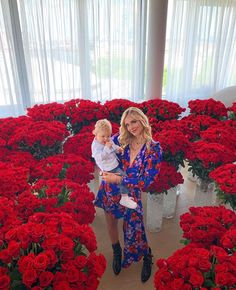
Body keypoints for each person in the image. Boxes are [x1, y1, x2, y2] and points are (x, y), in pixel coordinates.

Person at [94, 107, 162, 283]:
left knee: (135, 228)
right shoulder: (119, 139)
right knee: (111, 222)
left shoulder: (153, 149)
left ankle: (147, 255)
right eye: (127, 123)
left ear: (142, 120)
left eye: (134, 121)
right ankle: (116, 251)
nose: (131, 127)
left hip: (130, 193)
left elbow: (147, 181)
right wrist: (102, 171)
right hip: (109, 188)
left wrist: (119, 180)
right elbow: (99, 152)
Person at [91, 119, 137, 209]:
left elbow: (112, 145)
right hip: (109, 168)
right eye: (103, 136)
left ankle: (125, 196)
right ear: (95, 134)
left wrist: (117, 148)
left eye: (108, 136)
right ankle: (124, 198)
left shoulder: (107, 140)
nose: (106, 138)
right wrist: (107, 148)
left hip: (113, 164)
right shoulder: (96, 146)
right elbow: (100, 157)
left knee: (123, 179)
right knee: (123, 178)